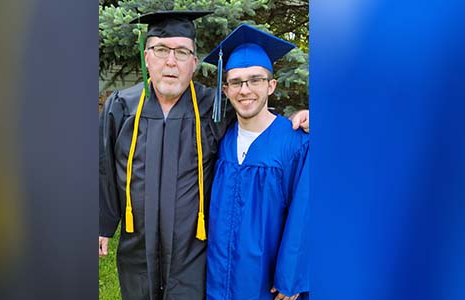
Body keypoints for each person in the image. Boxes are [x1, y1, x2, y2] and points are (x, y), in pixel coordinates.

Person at [99, 11, 309, 299]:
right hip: (138, 250)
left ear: (194, 63)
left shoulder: (212, 108)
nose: (171, 62)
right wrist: (102, 224)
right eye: (161, 50)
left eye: (182, 52)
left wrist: (302, 118)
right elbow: (104, 166)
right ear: (146, 57)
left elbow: (258, 119)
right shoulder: (121, 107)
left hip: (191, 256)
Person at [202, 24, 310, 300]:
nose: (245, 89)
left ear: (271, 85)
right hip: (218, 279)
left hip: (265, 284)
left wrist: (290, 278)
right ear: (225, 90)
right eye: (236, 82)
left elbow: (305, 215)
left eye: (255, 80)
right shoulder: (221, 139)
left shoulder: (296, 143)